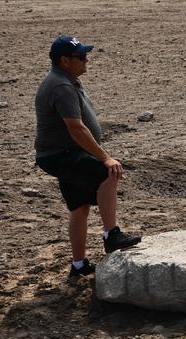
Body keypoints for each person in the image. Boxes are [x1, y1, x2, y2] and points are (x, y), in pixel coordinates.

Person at [35, 35, 141, 277]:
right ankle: (112, 235)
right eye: (81, 57)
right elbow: (76, 128)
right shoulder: (60, 86)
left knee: (79, 206)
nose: (86, 60)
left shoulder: (66, 80)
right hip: (62, 154)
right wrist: (105, 157)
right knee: (108, 173)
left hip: (61, 153)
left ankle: (79, 265)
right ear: (64, 61)